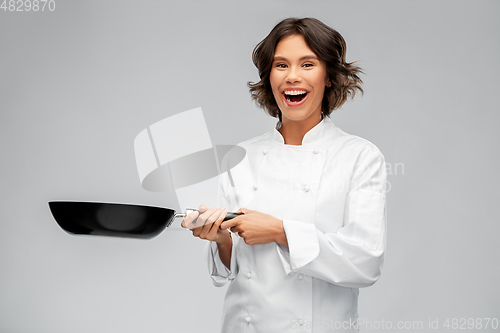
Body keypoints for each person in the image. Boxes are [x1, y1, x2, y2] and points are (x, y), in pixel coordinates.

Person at [181, 17, 387, 333]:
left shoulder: (359, 156)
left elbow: (365, 261)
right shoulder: (241, 156)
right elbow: (234, 268)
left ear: (329, 76)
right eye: (281, 65)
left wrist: (280, 231)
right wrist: (220, 237)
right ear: (268, 76)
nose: (292, 77)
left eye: (307, 64)